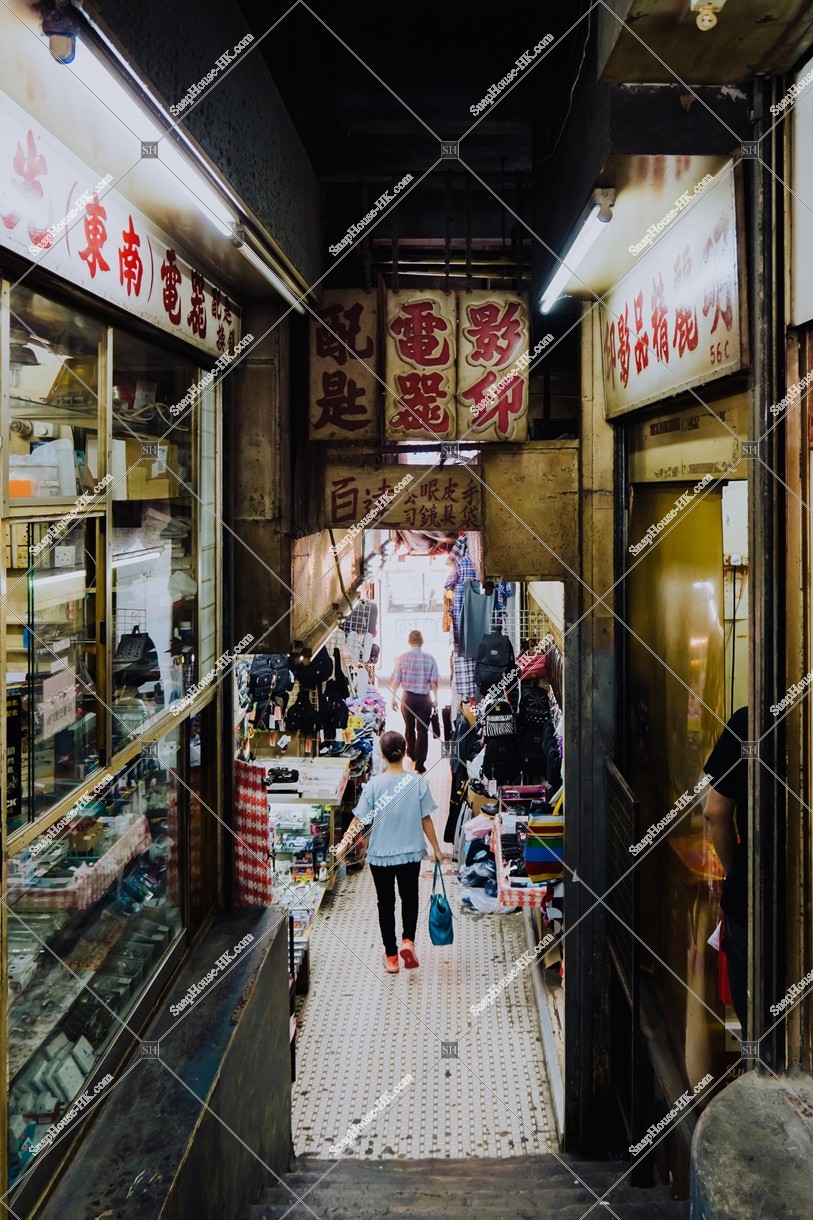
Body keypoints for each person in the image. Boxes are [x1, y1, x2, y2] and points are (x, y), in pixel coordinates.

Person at [334, 731, 443, 973]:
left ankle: (392, 957)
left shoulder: (373, 786)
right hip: (411, 853)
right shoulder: (417, 783)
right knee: (410, 898)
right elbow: (426, 820)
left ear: (382, 755)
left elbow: (358, 821)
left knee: (386, 903)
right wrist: (436, 849)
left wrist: (343, 844)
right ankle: (408, 941)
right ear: (405, 752)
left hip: (380, 855)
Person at [703, 706, 749, 1033]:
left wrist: (737, 871)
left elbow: (715, 812)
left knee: (759, 1029)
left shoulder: (749, 722)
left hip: (749, 901)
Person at [391, 629, 439, 774]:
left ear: (409, 642)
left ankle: (411, 752)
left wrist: (393, 697)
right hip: (424, 699)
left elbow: (396, 680)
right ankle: (420, 764)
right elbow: (433, 682)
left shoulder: (402, 658)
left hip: (407, 698)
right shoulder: (430, 658)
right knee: (423, 731)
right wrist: (436, 698)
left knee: (409, 727)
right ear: (422, 642)